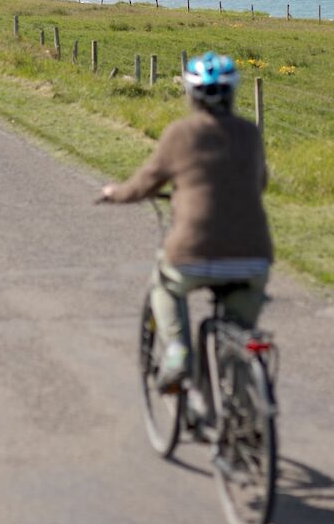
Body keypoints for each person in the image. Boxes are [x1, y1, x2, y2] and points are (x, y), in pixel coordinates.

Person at [99, 52, 272, 391]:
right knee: (239, 335)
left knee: (163, 284)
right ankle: (246, 417)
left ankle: (178, 352)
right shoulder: (250, 133)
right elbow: (260, 183)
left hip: (193, 254)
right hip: (254, 258)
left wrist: (113, 193)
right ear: (232, 94)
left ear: (191, 95)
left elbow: (143, 185)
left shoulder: (180, 134)